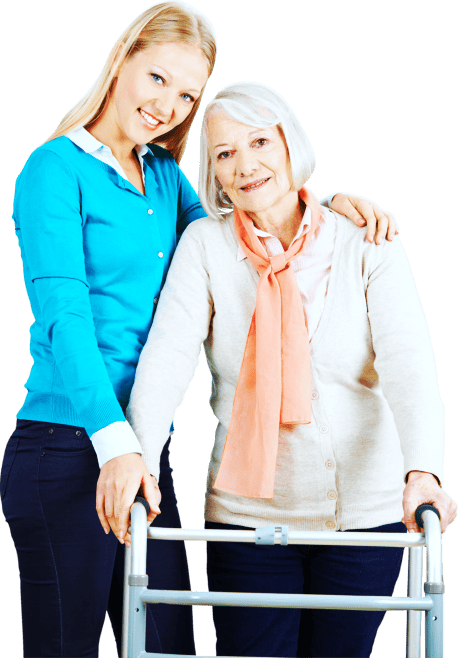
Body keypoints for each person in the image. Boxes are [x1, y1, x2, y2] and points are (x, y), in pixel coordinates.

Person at [0, 2, 399, 657]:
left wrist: (327, 211)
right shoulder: (53, 169)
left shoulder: (163, 175)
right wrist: (116, 445)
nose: (168, 105)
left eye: (187, 94)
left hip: (143, 452)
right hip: (67, 448)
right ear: (121, 61)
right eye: (157, 78)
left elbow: (246, 227)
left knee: (169, 645)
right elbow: (64, 320)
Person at [126, 80, 457, 658]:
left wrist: (424, 472)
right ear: (214, 172)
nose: (246, 165)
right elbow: (166, 361)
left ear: (288, 144)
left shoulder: (364, 237)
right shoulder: (205, 245)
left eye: (259, 142)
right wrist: (142, 462)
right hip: (247, 518)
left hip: (364, 518)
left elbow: (411, 366)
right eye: (225, 154)